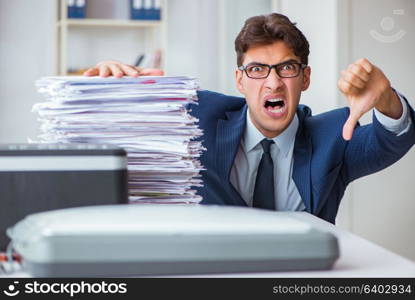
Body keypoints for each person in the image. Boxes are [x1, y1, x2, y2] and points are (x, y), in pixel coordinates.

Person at [84, 13, 414, 224]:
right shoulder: (201, 117)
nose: (273, 83)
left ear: (305, 78)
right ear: (240, 80)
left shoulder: (331, 137)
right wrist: (111, 90)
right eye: (257, 70)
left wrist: (385, 99)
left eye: (287, 68)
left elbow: (391, 140)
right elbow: (124, 130)